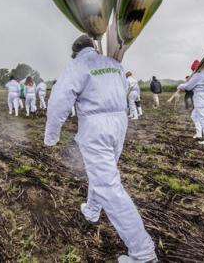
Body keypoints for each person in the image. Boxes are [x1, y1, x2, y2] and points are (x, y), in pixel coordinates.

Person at [44, 35, 157, 263]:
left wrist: (51, 136)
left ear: (75, 52)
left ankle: (143, 252)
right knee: (103, 173)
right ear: (93, 47)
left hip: (96, 127)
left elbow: (59, 101)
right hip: (119, 123)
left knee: (108, 185)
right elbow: (123, 89)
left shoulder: (77, 65)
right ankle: (92, 210)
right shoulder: (115, 64)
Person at [177, 60, 204, 145]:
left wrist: (180, 86)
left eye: (193, 70)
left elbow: (188, 87)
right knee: (194, 115)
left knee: (203, 118)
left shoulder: (197, 75)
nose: (193, 72)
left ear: (195, 69)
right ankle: (199, 134)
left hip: (200, 98)